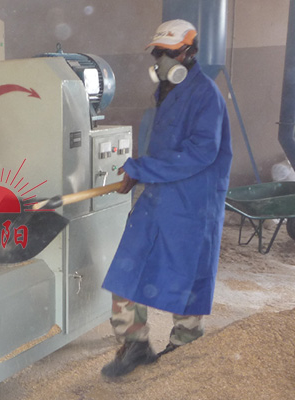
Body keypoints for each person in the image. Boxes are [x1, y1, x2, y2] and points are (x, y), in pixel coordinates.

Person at [100, 19, 233, 378]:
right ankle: (135, 344)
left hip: (192, 202)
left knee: (188, 274)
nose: (161, 60)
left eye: (170, 53)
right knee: (127, 266)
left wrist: (142, 169)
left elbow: (201, 152)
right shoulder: (167, 91)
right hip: (159, 195)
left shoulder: (206, 96)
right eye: (158, 52)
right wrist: (140, 174)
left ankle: (186, 345)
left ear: (189, 53)